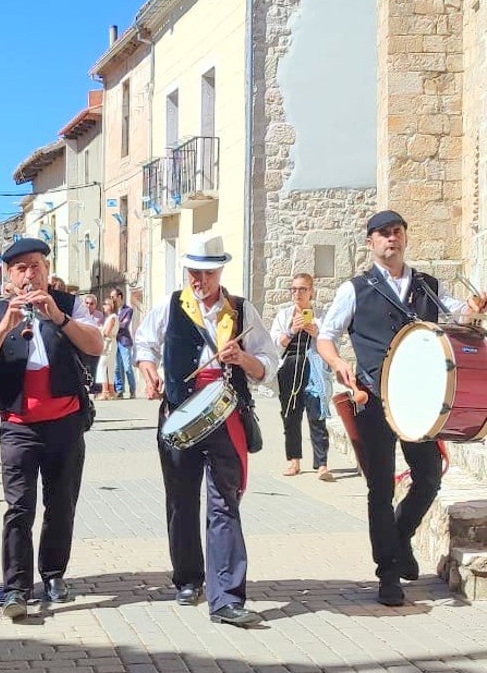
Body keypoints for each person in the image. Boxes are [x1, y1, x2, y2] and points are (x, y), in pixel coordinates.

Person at [317, 210, 485, 607]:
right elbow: (326, 335)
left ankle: (401, 533)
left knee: (428, 478)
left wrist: (475, 305)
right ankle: (387, 572)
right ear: (371, 242)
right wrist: (338, 363)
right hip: (374, 398)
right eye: (382, 234)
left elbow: (458, 316)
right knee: (380, 487)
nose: (390, 239)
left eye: (396, 232)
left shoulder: (427, 287)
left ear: (406, 238)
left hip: (420, 403)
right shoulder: (356, 289)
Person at [134, 233, 277, 628]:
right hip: (180, 411)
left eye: (207, 273)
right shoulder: (171, 306)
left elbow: (269, 365)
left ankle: (227, 597)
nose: (200, 280)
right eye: (193, 272)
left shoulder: (242, 311)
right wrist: (148, 370)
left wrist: (244, 359)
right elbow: (143, 343)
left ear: (220, 271)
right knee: (181, 500)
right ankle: (188, 578)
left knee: (224, 504)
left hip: (226, 417)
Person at [0, 238, 103, 620]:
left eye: (36, 266)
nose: (30, 274)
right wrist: (5, 325)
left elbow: (95, 345)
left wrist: (57, 318)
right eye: (21, 268)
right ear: (9, 277)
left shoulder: (69, 304)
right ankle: (16, 588)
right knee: (19, 508)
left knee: (61, 505)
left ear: (47, 269)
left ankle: (54, 574)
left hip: (65, 421)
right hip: (18, 426)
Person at [270, 273, 332, 482]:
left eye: (302, 289)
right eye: (294, 289)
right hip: (289, 367)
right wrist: (292, 330)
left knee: (317, 414)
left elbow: (331, 341)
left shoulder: (321, 316)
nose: (297, 293)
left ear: (311, 292)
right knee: (290, 415)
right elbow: (274, 344)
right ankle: (294, 460)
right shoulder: (283, 315)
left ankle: (322, 464)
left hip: (313, 368)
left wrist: (316, 332)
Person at [110, 286, 138, 398]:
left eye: (113, 297)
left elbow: (124, 325)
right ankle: (120, 390)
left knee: (127, 367)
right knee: (116, 367)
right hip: (114, 341)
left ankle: (132, 390)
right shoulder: (113, 310)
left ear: (119, 297)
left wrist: (113, 324)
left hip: (124, 341)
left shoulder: (128, 310)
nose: (111, 299)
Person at [98, 298, 119, 399]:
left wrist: (100, 331)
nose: (104, 306)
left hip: (108, 342)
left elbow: (107, 332)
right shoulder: (113, 317)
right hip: (112, 342)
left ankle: (105, 390)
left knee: (102, 366)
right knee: (110, 367)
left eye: (105, 304)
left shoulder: (112, 318)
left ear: (111, 306)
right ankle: (111, 390)